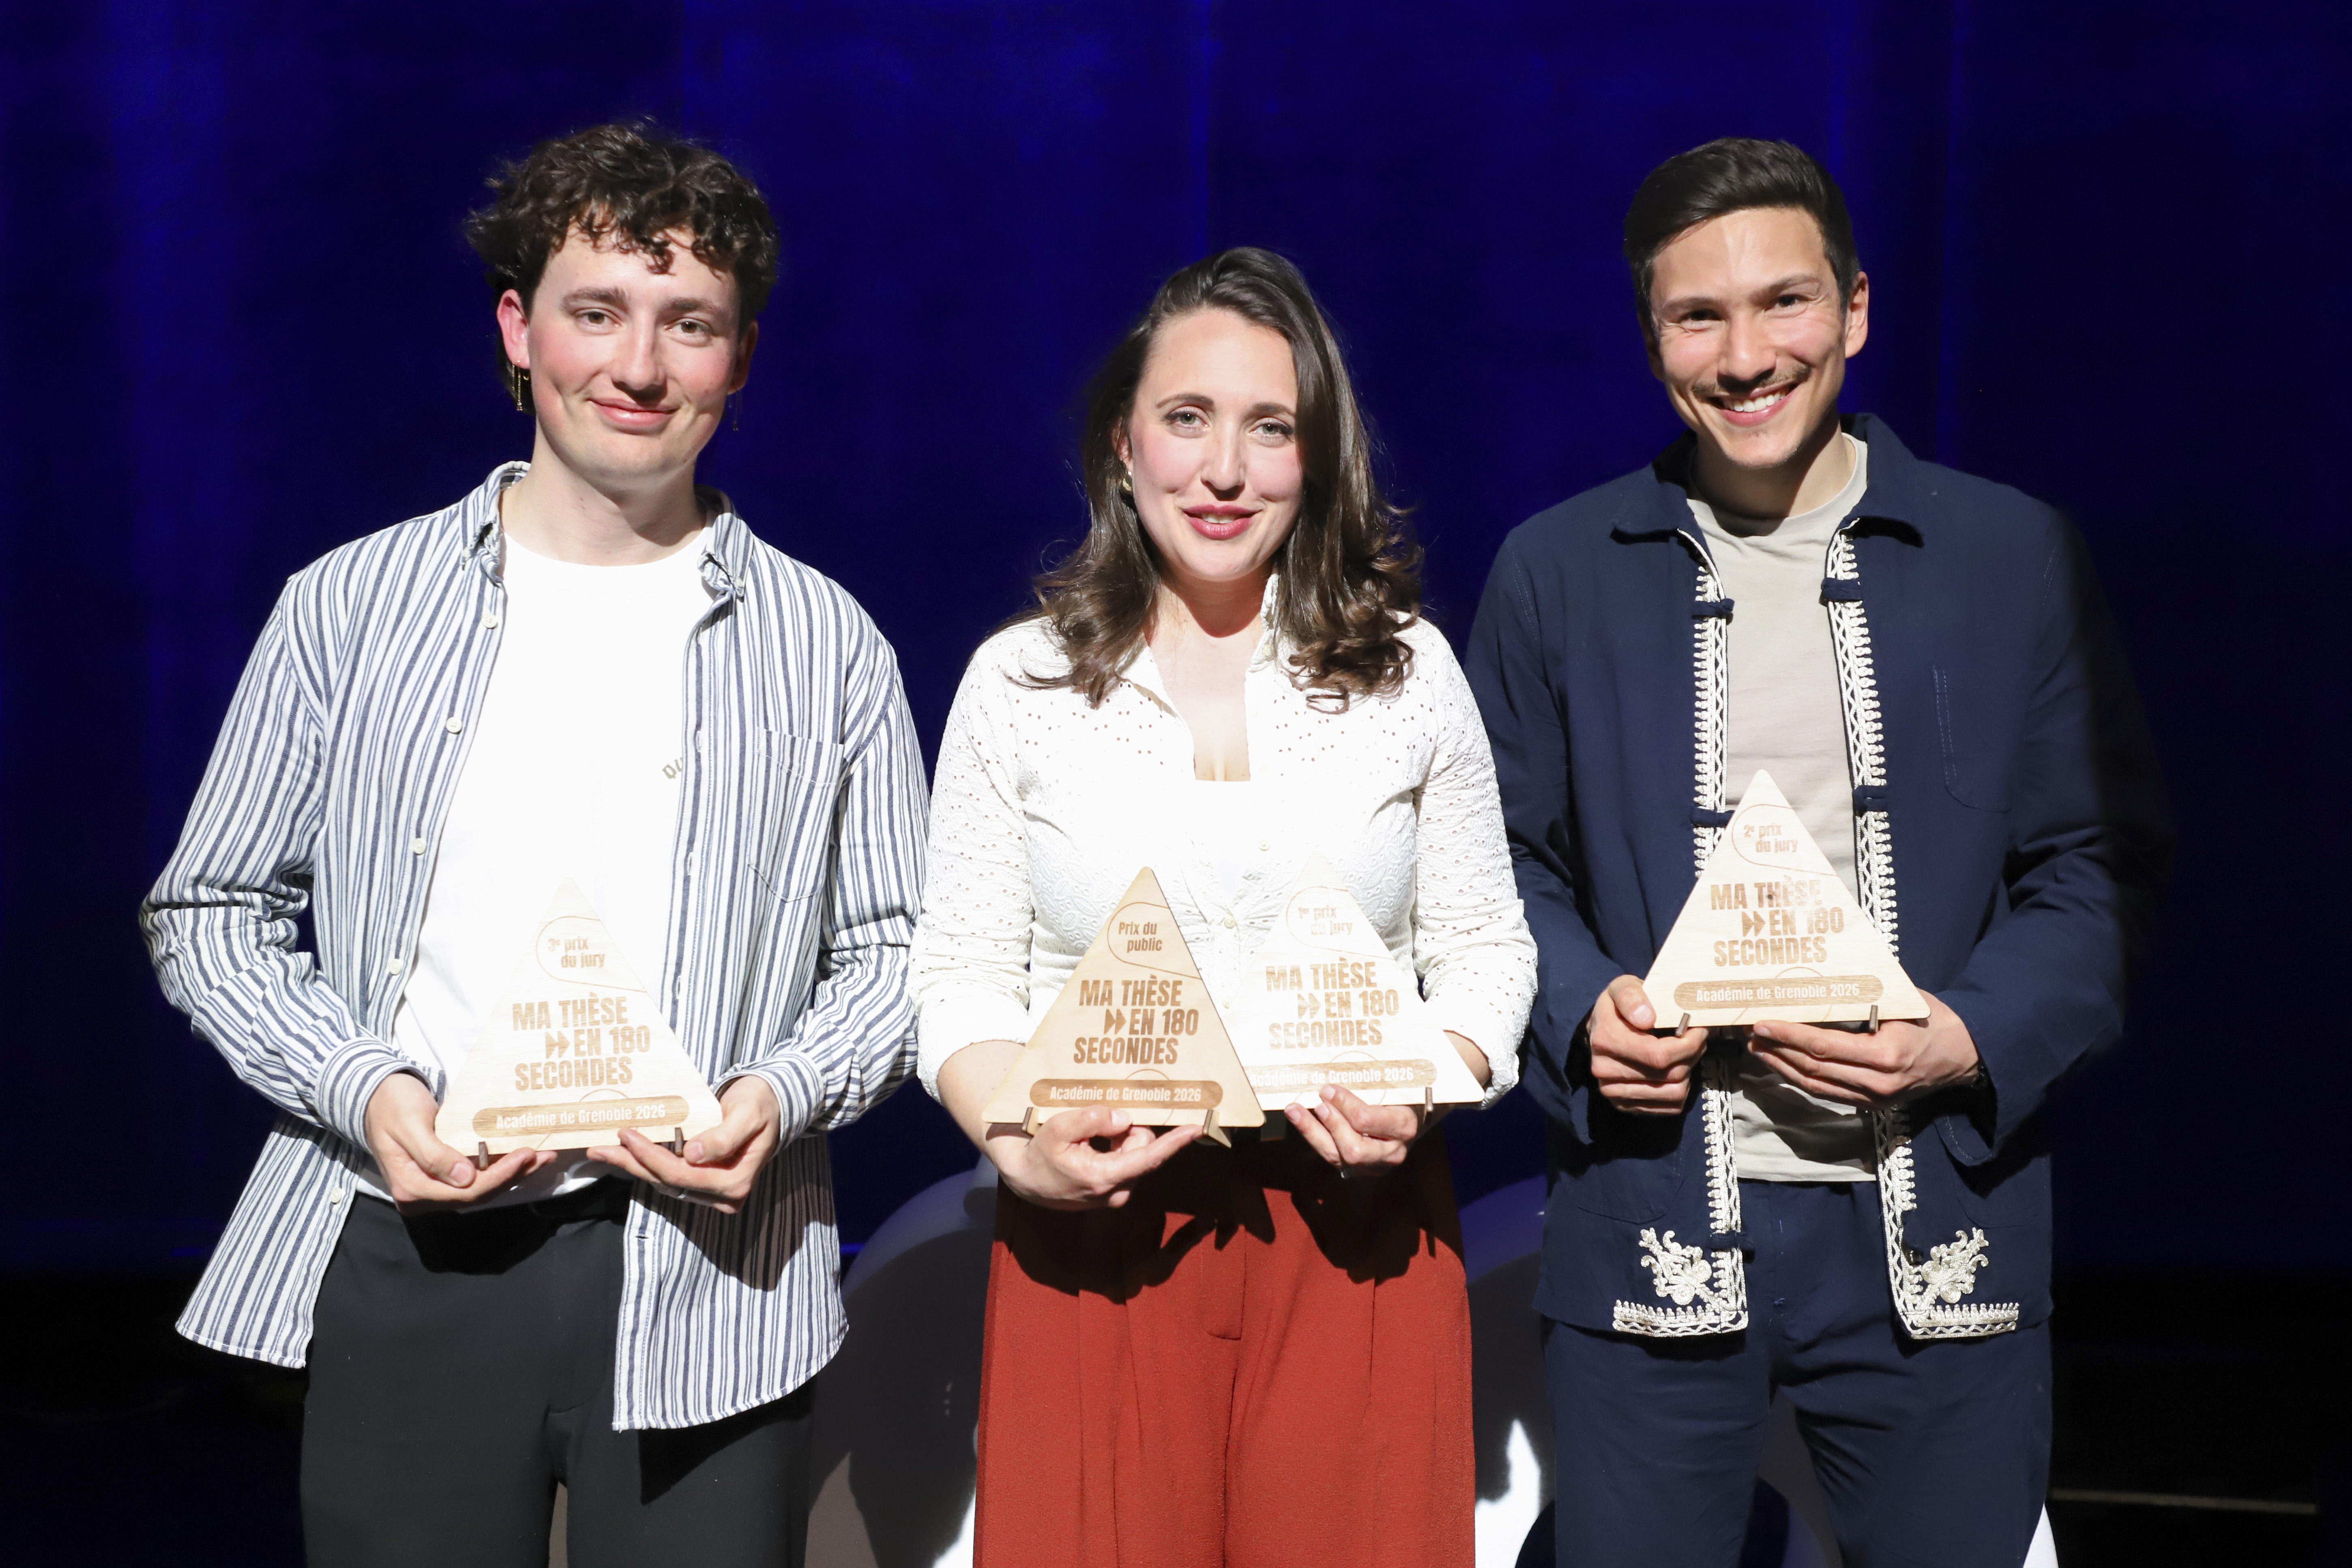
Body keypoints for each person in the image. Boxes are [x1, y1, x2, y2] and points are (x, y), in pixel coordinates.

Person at [140, 122, 927, 1566]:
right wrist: (361, 1086)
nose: (638, 365)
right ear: (518, 327)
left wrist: (783, 1087)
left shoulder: (827, 642)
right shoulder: (352, 605)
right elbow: (211, 905)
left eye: (689, 324)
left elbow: (895, 950)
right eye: (596, 311)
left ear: (739, 359)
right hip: (416, 1229)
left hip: (713, 1267)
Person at [1466, 137, 2172, 1566]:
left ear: (1855, 310)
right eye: (1697, 317)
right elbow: (1493, 872)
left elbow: (2098, 868)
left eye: (1784, 304)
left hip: (1943, 1231)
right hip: (1654, 1224)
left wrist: (1967, 1034)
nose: (1745, 356)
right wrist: (1577, 1008)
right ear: (1652, 336)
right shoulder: (1556, 568)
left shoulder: (2011, 555)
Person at [912, 247, 1536, 1567]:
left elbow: (1487, 949)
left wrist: (1436, 1078)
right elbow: (958, 978)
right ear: (1123, 444)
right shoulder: (1017, 684)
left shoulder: (1408, 674)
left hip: (1357, 1235)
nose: (1224, 468)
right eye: (1187, 419)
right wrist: (1017, 1142)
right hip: (1098, 1238)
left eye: (1271, 426)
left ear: (1318, 458)